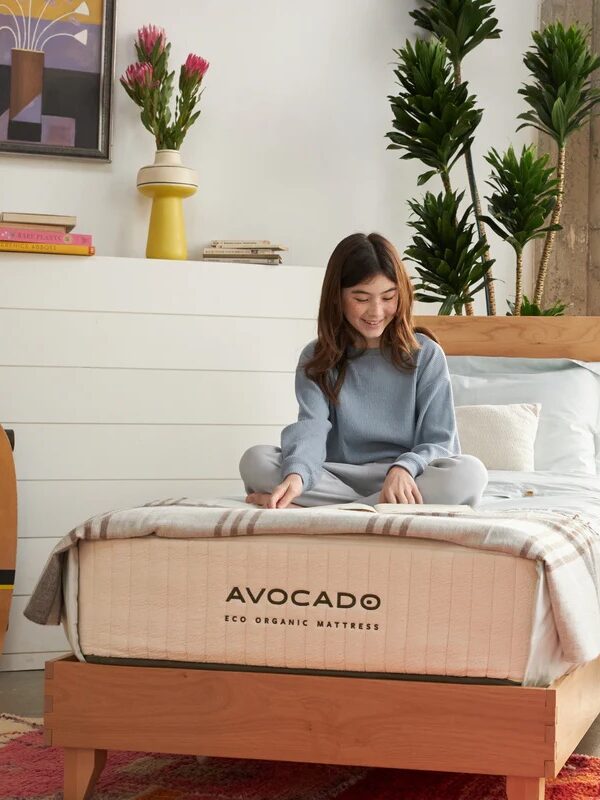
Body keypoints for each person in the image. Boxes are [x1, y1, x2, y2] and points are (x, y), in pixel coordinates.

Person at [239, 232, 487, 509]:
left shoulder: (425, 354)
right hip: (335, 474)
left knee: (469, 474)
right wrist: (297, 476)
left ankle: (332, 510)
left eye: (388, 297)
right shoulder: (317, 357)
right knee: (256, 460)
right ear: (337, 297)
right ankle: (375, 507)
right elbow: (312, 428)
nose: (376, 311)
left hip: (406, 477)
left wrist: (405, 467)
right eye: (361, 298)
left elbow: (441, 440)